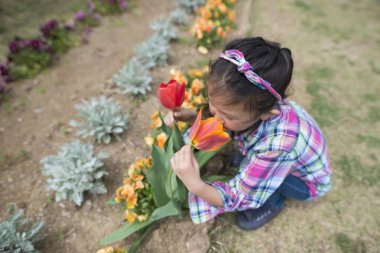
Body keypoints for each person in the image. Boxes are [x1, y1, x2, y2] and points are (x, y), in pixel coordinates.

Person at [166, 37, 332, 230]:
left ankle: (273, 203)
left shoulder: (278, 145)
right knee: (244, 151)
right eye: (212, 102)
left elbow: (241, 196)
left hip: (304, 182)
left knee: (264, 181)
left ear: (265, 114)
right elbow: (222, 114)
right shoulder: (249, 106)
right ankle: (251, 161)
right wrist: (192, 117)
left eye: (228, 116)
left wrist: (196, 185)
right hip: (282, 154)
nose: (216, 118)